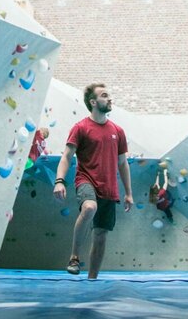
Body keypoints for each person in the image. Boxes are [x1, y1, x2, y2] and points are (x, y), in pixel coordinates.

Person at [53, 83, 133, 280]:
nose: (109, 98)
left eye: (109, 95)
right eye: (104, 95)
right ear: (93, 102)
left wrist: (129, 193)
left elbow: (123, 163)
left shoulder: (118, 131)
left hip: (109, 188)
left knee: (101, 235)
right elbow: (66, 156)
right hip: (86, 180)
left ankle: (92, 279)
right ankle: (74, 257)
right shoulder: (80, 128)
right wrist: (59, 181)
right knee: (89, 208)